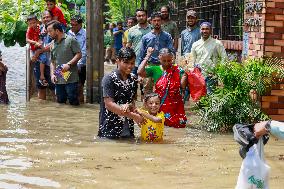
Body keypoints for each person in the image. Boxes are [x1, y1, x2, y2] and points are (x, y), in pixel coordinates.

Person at [98, 47, 144, 139]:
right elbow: (109, 104)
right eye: (126, 62)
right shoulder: (109, 79)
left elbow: (132, 101)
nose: (129, 66)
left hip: (128, 128)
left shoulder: (133, 79)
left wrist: (135, 111)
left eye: (132, 63)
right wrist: (133, 116)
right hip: (110, 128)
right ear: (117, 61)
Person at [140, 48, 187, 128]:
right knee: (157, 126)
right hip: (159, 105)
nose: (166, 63)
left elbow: (182, 86)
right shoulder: (155, 69)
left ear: (172, 58)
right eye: (164, 61)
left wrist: (186, 74)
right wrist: (147, 56)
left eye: (169, 60)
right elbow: (140, 72)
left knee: (177, 126)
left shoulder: (178, 70)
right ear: (159, 58)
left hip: (175, 107)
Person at [138, 12, 174, 95]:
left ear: (161, 22)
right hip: (149, 66)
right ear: (151, 22)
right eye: (154, 20)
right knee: (147, 90)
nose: (156, 22)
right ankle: (146, 108)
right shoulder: (146, 37)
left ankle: (162, 107)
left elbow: (171, 52)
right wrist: (140, 74)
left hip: (163, 67)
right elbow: (141, 55)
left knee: (164, 89)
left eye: (158, 20)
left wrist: (171, 68)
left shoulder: (167, 36)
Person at [47, 21, 82, 106]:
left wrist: (69, 64)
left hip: (71, 78)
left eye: (50, 31)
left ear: (57, 31)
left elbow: (79, 54)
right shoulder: (52, 44)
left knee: (73, 101)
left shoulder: (70, 40)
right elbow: (52, 61)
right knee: (60, 101)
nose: (48, 34)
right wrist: (52, 75)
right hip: (59, 78)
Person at [191, 22, 227, 93]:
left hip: (211, 77)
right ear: (200, 30)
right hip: (199, 77)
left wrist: (219, 74)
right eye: (203, 29)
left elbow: (224, 58)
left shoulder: (217, 43)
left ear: (211, 30)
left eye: (207, 29)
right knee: (200, 100)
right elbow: (192, 60)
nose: (204, 31)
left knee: (211, 100)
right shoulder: (195, 44)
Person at [26, 14, 53, 100]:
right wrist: (35, 54)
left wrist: (38, 52)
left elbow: (54, 45)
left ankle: (57, 107)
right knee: (41, 87)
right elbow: (29, 41)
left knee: (55, 87)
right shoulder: (39, 28)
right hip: (40, 63)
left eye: (48, 17)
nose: (46, 19)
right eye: (44, 17)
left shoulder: (56, 29)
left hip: (53, 64)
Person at [68, 15, 87, 103]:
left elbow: (84, 51)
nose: (72, 26)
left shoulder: (85, 34)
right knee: (65, 83)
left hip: (80, 64)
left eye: (74, 25)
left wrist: (78, 64)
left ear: (80, 25)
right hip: (68, 64)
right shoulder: (69, 33)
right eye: (71, 24)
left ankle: (81, 105)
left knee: (79, 86)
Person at [127, 8, 152, 75]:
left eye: (143, 15)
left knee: (148, 84)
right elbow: (128, 46)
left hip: (150, 62)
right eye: (139, 16)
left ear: (146, 16)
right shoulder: (131, 30)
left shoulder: (152, 29)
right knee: (133, 83)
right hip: (135, 62)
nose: (141, 17)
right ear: (136, 17)